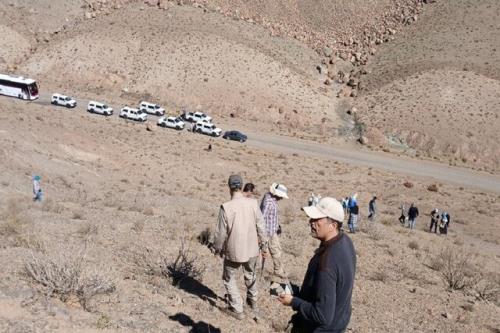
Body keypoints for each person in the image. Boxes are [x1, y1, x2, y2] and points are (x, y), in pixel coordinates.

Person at [278, 197, 356, 333]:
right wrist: (301, 292)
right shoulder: (345, 241)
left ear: (333, 225)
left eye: (317, 219)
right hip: (338, 323)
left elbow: (322, 315)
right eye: (311, 218)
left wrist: (292, 302)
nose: (311, 222)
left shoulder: (328, 262)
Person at [213, 175, 269, 320]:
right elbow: (261, 226)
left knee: (228, 277)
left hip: (234, 250)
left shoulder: (226, 207)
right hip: (252, 249)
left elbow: (220, 233)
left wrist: (217, 248)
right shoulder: (253, 203)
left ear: (229, 187)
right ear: (241, 186)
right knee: (250, 274)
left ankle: (237, 308)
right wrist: (264, 245)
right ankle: (253, 301)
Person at [261, 182, 289, 278]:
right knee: (275, 252)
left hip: (273, 230)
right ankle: (278, 271)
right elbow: (262, 218)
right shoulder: (269, 203)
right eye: (281, 196)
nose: (281, 198)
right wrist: (262, 235)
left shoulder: (270, 198)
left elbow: (272, 216)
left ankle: (278, 269)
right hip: (268, 232)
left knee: (277, 251)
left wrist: (277, 226)